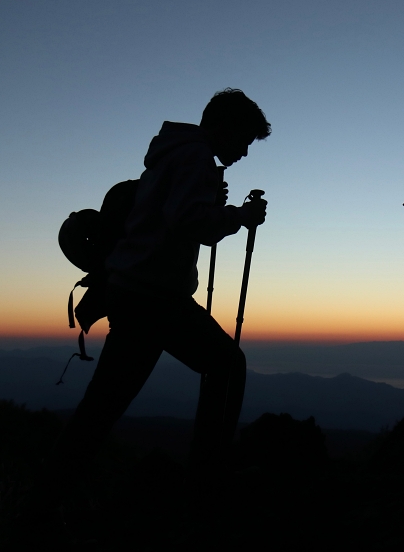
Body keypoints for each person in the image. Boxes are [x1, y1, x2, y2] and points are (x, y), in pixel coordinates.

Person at [35, 88, 270, 516]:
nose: (244, 152)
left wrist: (213, 207)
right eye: (245, 140)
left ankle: (45, 499)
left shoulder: (174, 154)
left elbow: (173, 217)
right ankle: (206, 479)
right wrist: (240, 216)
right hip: (153, 298)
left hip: (136, 293)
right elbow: (192, 221)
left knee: (103, 405)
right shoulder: (195, 158)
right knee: (227, 365)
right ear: (226, 126)